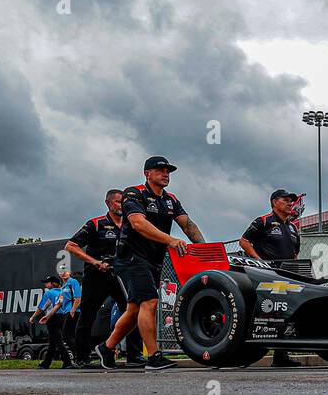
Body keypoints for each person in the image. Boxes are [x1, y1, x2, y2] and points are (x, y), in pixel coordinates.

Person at [97, 155, 205, 372]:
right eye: (160, 170)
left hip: (153, 260)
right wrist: (171, 241)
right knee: (150, 302)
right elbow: (138, 223)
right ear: (147, 173)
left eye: (168, 171)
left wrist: (203, 249)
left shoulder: (171, 199)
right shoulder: (133, 193)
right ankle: (154, 357)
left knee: (135, 309)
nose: (166, 174)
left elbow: (188, 225)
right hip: (131, 258)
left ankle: (106, 348)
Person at [64, 190, 144, 367]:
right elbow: (71, 246)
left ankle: (134, 356)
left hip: (121, 275)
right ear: (108, 203)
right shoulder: (96, 224)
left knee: (133, 311)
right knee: (87, 316)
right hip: (97, 276)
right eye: (117, 202)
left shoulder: (130, 225)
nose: (120, 205)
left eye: (123, 202)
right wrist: (95, 262)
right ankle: (81, 358)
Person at [240, 188, 303, 367]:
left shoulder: (292, 227)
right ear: (275, 202)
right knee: (262, 313)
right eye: (286, 200)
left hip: (286, 277)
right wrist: (259, 260)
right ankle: (244, 354)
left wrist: (295, 271)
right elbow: (244, 241)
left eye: (291, 200)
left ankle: (281, 356)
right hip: (265, 277)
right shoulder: (263, 221)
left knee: (285, 314)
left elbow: (294, 254)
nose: (291, 203)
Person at [30, 275, 74, 368]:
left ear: (53, 283)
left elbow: (42, 307)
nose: (45, 284)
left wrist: (33, 317)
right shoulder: (64, 292)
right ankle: (46, 363)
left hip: (52, 318)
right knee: (53, 342)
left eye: (47, 282)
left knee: (58, 341)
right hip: (64, 317)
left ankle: (67, 362)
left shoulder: (49, 293)